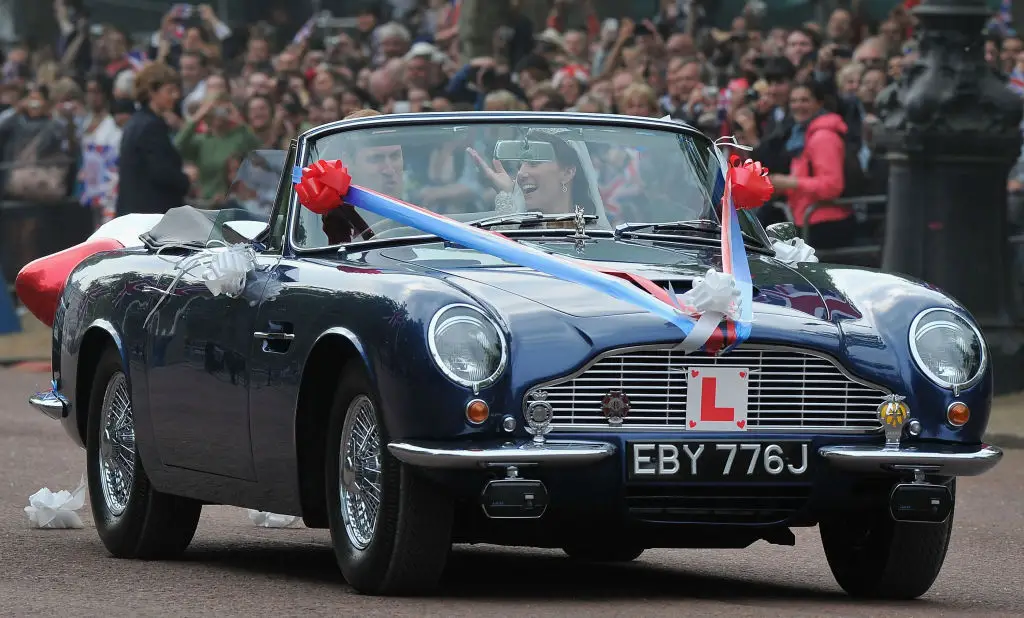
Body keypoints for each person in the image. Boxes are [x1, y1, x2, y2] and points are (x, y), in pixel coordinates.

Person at [769, 80, 852, 249]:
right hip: (805, 217)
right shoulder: (802, 134)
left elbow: (832, 186)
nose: (798, 106)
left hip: (823, 222)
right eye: (794, 101)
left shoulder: (823, 137)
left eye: (805, 100)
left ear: (819, 103)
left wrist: (789, 182)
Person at [115, 62, 191, 216]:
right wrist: (186, 178)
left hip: (134, 213)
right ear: (152, 92)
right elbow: (161, 172)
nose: (175, 96)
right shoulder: (151, 126)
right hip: (151, 216)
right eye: (169, 91)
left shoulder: (135, 122)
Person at [467, 131, 595, 217]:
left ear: (567, 172)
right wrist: (507, 193)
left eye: (534, 163)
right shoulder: (518, 228)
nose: (521, 173)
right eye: (519, 166)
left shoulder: (595, 236)